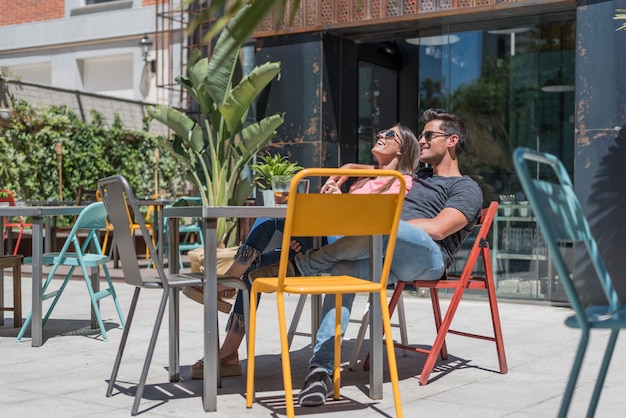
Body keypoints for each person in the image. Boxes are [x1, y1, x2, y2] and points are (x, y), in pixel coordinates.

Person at [249, 109, 483, 407]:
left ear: (452, 141)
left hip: (426, 258)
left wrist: (383, 224)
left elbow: (438, 229)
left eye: (428, 135)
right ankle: (320, 370)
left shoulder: (465, 187)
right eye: (421, 136)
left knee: (384, 224)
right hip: (383, 251)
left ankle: (303, 265)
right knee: (344, 271)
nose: (421, 141)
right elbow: (372, 173)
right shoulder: (416, 177)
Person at [188, 123, 421, 379]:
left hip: (347, 250)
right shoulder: (365, 179)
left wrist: (339, 201)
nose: (380, 136)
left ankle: (224, 282)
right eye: (380, 132)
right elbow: (342, 209)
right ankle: (228, 354)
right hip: (323, 239)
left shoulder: (401, 182)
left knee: (269, 218)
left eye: (389, 135)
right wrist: (338, 196)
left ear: (402, 149)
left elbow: (372, 223)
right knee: (252, 272)